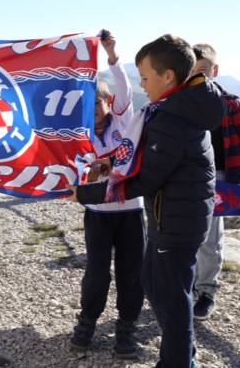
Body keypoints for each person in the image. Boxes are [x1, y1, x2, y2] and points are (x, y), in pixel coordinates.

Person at [69, 34, 225, 367]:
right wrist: (108, 164)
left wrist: (84, 193)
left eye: (145, 77)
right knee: (155, 285)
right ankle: (183, 354)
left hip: (174, 223)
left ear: (167, 77)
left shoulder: (170, 118)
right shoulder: (166, 111)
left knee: (171, 298)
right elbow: (137, 155)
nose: (142, 85)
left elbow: (144, 179)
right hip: (167, 219)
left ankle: (179, 361)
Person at [69, 30, 145, 359]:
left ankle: (126, 329)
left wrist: (112, 56)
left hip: (130, 212)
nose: (95, 109)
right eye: (89, 105)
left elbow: (125, 88)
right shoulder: (77, 137)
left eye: (99, 101)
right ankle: (86, 324)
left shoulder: (123, 121)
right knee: (96, 274)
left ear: (108, 102)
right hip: (98, 215)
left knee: (131, 274)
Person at [191, 43, 240, 320]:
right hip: (189, 177)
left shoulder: (231, 104)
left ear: (215, 70)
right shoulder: (182, 103)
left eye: (203, 70)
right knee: (189, 233)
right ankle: (191, 283)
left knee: (210, 237)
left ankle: (206, 290)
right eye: (193, 71)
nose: (198, 76)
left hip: (221, 178)